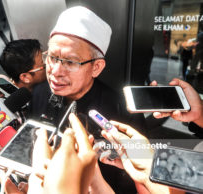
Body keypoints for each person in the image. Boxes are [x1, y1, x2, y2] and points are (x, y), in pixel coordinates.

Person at [29, 6, 146, 193]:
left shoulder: (123, 113)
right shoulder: (39, 93)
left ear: (96, 67)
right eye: (52, 57)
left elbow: (137, 180)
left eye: (70, 62)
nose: (55, 71)